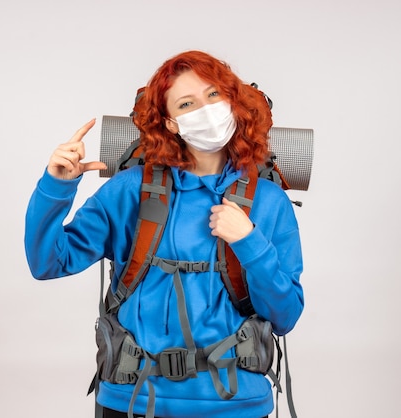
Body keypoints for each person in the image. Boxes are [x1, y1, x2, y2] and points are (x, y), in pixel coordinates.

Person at [24, 50, 304, 418]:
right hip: (133, 401)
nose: (205, 109)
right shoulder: (129, 191)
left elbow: (285, 316)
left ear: (233, 102)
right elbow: (49, 262)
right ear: (171, 123)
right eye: (187, 103)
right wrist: (56, 186)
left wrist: (248, 240)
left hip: (237, 405)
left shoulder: (268, 201)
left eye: (214, 95)